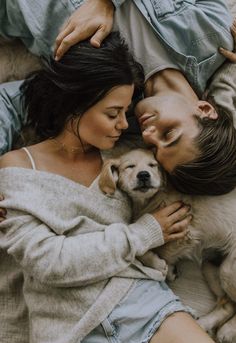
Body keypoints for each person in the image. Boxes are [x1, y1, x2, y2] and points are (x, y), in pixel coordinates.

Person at [0, 32, 224, 343]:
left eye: (126, 111)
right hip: (69, 331)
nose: (124, 123)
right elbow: (50, 262)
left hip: (142, 302)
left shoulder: (125, 158)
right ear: (76, 105)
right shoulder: (18, 166)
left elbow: (208, 133)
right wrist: (145, 233)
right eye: (112, 113)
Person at [54, 0, 236, 196]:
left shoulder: (108, 109)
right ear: (204, 109)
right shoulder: (213, 37)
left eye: (152, 148)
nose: (147, 135)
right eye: (169, 134)